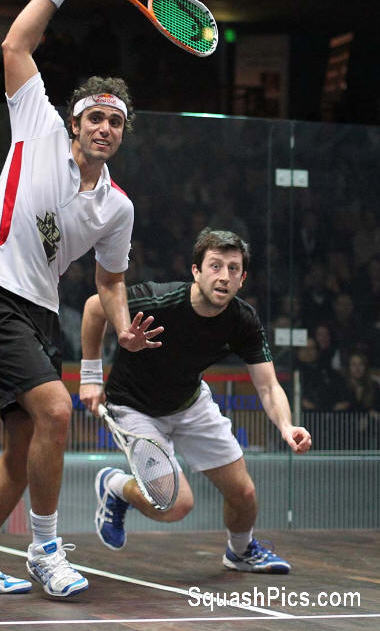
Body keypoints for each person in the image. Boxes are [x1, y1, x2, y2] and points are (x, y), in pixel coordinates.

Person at [0, 0, 159, 598]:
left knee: (24, 444)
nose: (105, 128)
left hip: (39, 311)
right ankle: (45, 549)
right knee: (56, 411)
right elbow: (15, 44)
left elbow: (110, 283)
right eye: (96, 117)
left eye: (116, 122)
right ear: (75, 120)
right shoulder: (34, 124)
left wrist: (124, 330)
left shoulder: (117, 208)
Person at [80, 228, 312, 574]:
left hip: (190, 404)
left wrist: (286, 425)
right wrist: (90, 376)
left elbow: (267, 386)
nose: (224, 276)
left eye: (233, 269)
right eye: (215, 266)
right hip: (134, 408)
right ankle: (115, 486)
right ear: (196, 271)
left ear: (242, 279)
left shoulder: (242, 320)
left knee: (244, 494)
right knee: (176, 505)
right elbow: (94, 308)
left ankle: (240, 552)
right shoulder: (156, 300)